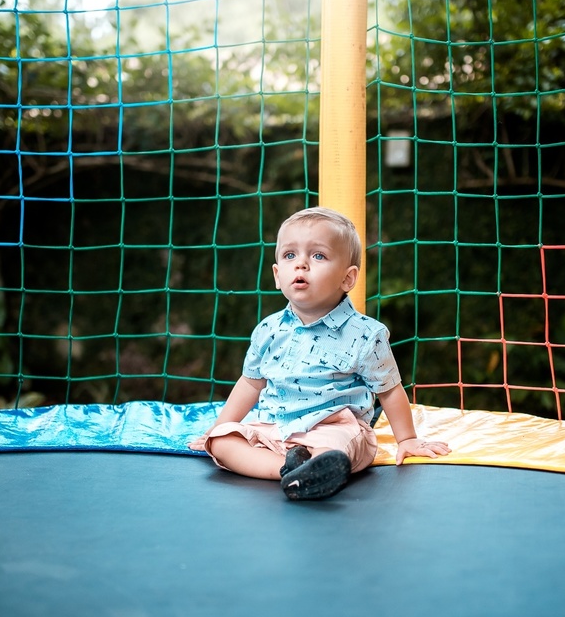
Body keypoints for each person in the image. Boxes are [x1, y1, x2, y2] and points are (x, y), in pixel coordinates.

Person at [191, 206, 450, 500]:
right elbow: (251, 383)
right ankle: (289, 471)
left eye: (318, 256)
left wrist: (408, 439)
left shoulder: (365, 333)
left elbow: (389, 390)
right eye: (290, 256)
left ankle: (319, 466)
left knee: (335, 449)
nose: (300, 264)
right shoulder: (268, 329)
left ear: (348, 279)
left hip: (335, 428)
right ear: (277, 275)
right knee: (222, 442)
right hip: (276, 428)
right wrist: (218, 426)